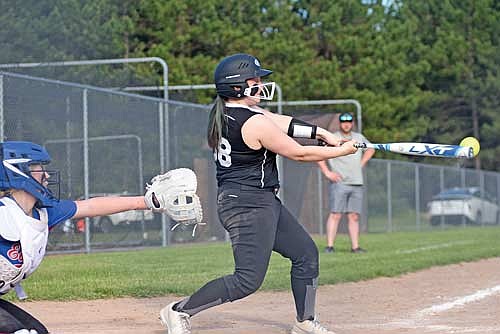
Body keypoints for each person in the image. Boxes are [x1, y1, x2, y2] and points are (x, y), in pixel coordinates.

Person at [159, 53, 358, 334]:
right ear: (237, 87)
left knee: (305, 254)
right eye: (254, 79)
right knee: (247, 280)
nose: (261, 84)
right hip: (247, 205)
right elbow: (298, 153)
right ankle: (178, 311)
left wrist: (324, 133)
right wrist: (340, 151)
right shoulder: (253, 122)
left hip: (258, 200)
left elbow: (283, 122)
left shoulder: (228, 113)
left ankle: (304, 322)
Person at [0, 141, 182, 334]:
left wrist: (145, 201)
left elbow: (91, 206)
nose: (46, 174)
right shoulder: (5, 214)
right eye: (37, 168)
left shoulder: (43, 214)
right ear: (18, 172)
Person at [317, 112, 375, 254]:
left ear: (352, 123)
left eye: (349, 121)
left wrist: (361, 163)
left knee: (354, 216)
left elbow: (371, 149)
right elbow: (318, 153)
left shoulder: (358, 137)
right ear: (340, 123)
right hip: (339, 182)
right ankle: (329, 246)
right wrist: (327, 172)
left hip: (357, 182)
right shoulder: (333, 137)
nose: (346, 124)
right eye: (343, 121)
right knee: (335, 214)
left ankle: (355, 247)